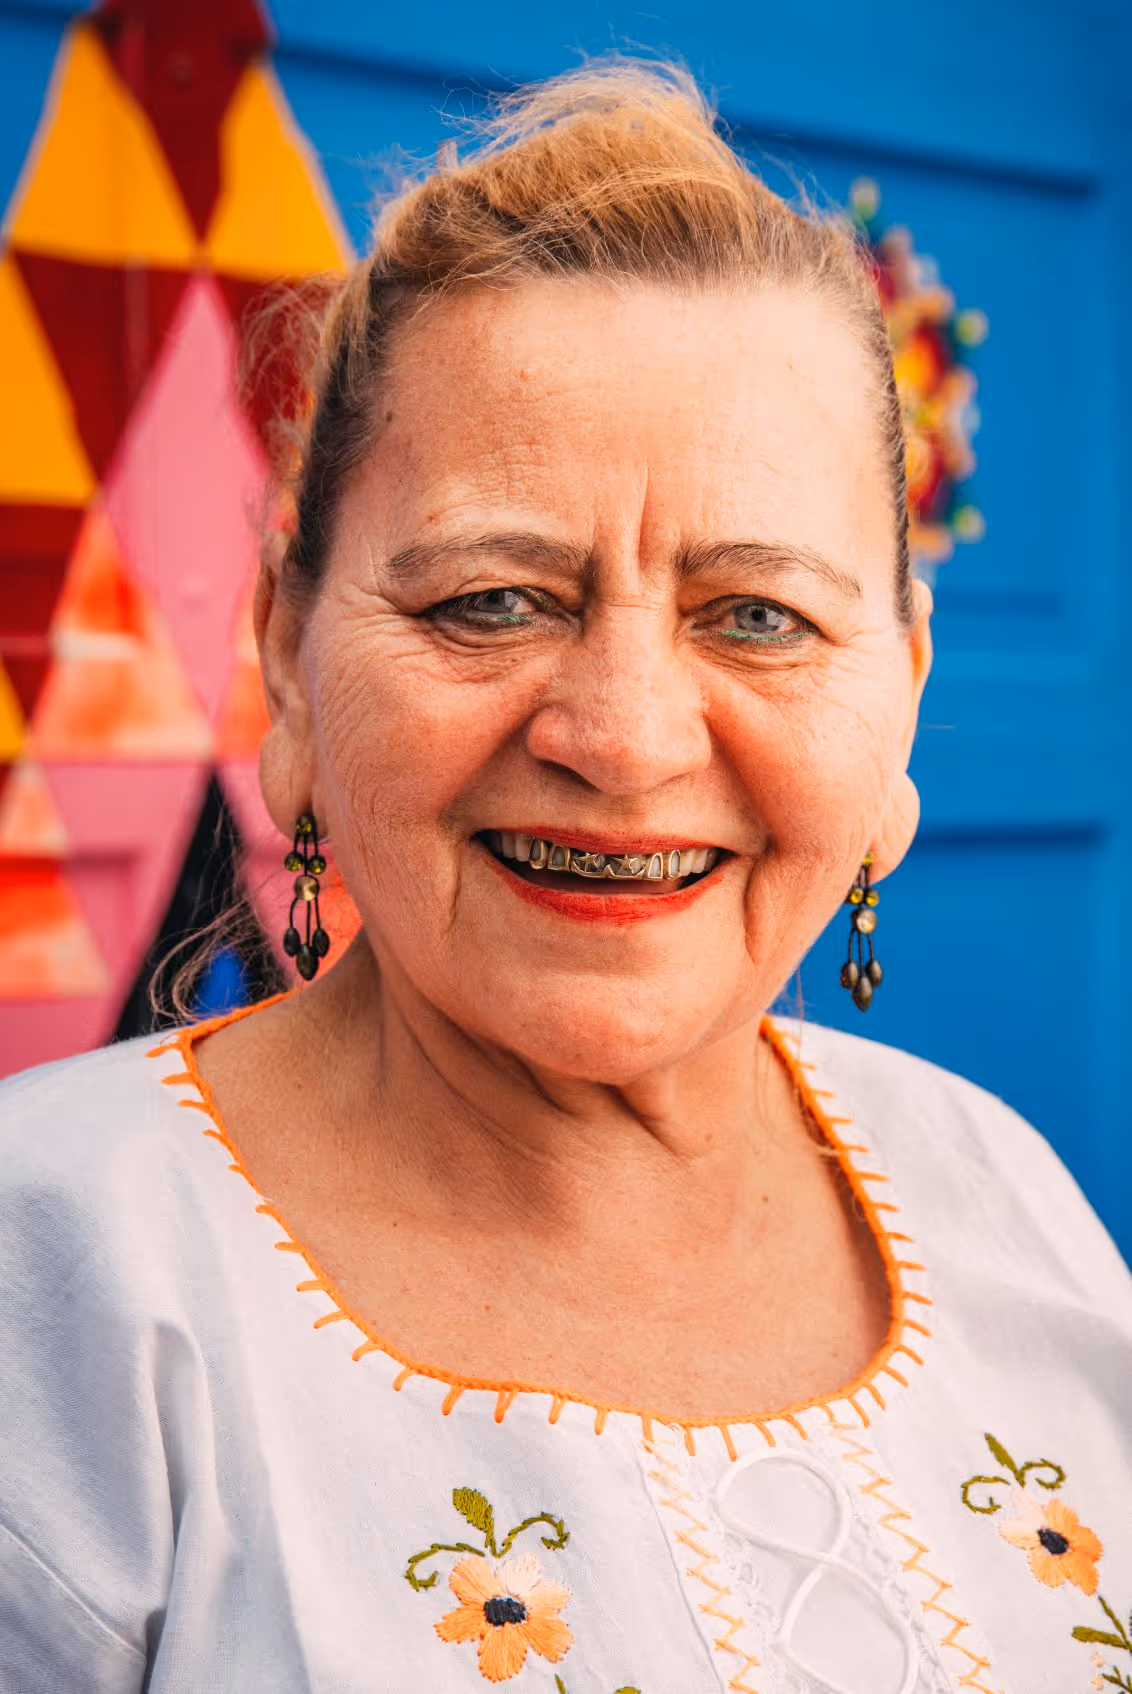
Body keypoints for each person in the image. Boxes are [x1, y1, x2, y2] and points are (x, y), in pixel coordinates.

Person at [1, 56, 1129, 1694]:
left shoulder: (998, 1192)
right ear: (293, 662)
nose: (623, 734)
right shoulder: (58, 1274)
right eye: (487, 600)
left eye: (759, 615)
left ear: (900, 693)